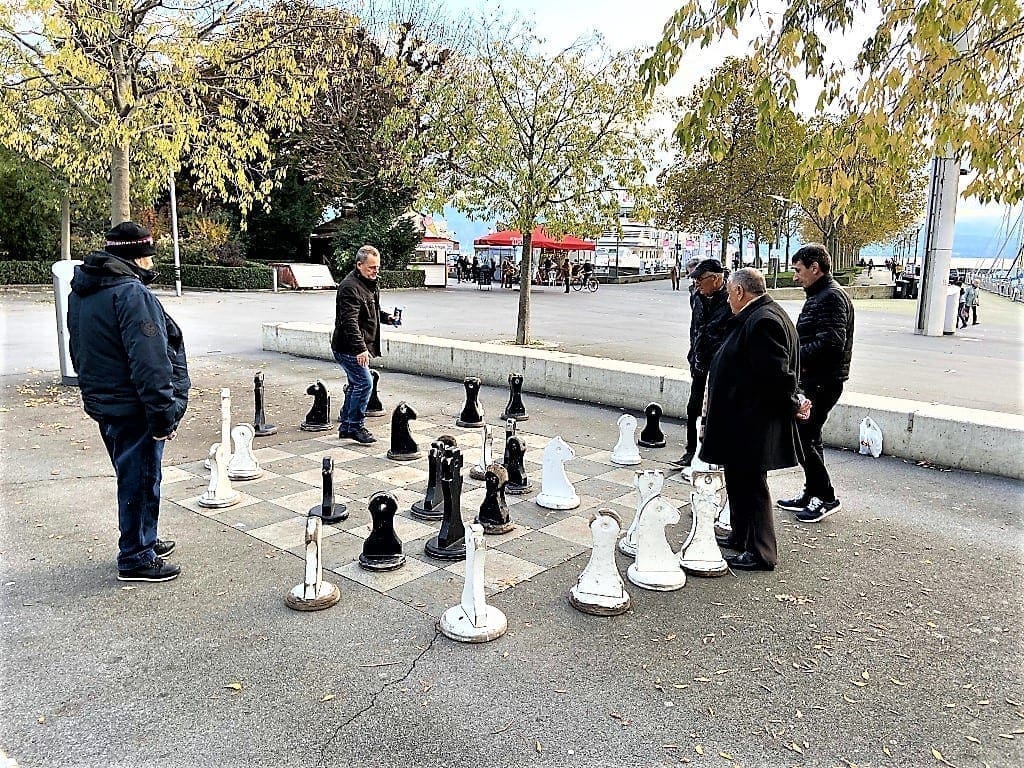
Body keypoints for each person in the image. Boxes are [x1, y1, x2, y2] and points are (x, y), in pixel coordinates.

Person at [67, 222, 190, 583]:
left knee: (135, 476)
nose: (152, 263)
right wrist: (163, 415)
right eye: (149, 256)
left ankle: (144, 540)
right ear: (139, 255)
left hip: (106, 402)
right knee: (140, 479)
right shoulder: (130, 293)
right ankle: (135, 556)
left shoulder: (85, 291)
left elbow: (80, 348)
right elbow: (150, 361)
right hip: (134, 406)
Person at [700, 268, 807, 571]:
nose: (727, 298)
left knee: (752, 484)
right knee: (738, 479)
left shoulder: (763, 321)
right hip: (743, 420)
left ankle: (762, 552)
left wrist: (793, 403)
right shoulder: (761, 314)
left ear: (739, 291)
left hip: (752, 422)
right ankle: (741, 535)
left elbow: (775, 376)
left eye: (729, 292)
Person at [777, 243, 854, 523]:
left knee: (804, 437)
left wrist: (793, 356)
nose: (795, 277)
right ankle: (812, 492)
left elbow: (832, 343)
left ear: (815, 268)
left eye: (798, 271)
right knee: (810, 437)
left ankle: (826, 496)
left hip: (822, 381)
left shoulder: (830, 297)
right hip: (818, 379)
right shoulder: (821, 295)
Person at [332, 245, 397, 444]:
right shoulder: (349, 287)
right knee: (364, 383)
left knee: (355, 383)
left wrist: (388, 318)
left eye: (377, 267)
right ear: (359, 265)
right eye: (371, 268)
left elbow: (372, 310)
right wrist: (360, 349)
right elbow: (349, 322)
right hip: (348, 347)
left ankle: (346, 426)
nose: (375, 271)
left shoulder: (369, 283)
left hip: (354, 345)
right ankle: (355, 426)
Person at [674, 258, 730, 467]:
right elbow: (695, 327)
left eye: (700, 279)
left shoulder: (731, 298)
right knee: (693, 407)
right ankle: (691, 451)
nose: (696, 283)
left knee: (718, 410)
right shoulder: (696, 295)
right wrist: (695, 353)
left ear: (716, 279)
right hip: (698, 360)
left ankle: (716, 453)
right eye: (695, 280)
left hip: (720, 365)